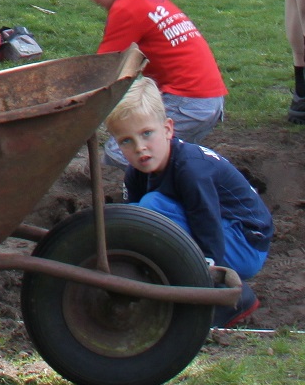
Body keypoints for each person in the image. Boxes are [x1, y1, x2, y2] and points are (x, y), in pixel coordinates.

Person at [104, 76, 268, 327]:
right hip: (219, 231)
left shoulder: (191, 169)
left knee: (152, 207)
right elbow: (132, 222)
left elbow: (207, 221)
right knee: (133, 214)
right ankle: (161, 280)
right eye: (126, 141)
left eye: (147, 134)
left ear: (168, 129)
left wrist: (210, 273)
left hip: (244, 241)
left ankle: (229, 298)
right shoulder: (135, 173)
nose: (140, 148)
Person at [69, 0, 226, 151]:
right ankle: (173, 182)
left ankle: (148, 185)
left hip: (187, 102)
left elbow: (103, 69)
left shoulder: (127, 7)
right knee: (166, 157)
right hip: (209, 99)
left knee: (120, 151)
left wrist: (73, 102)